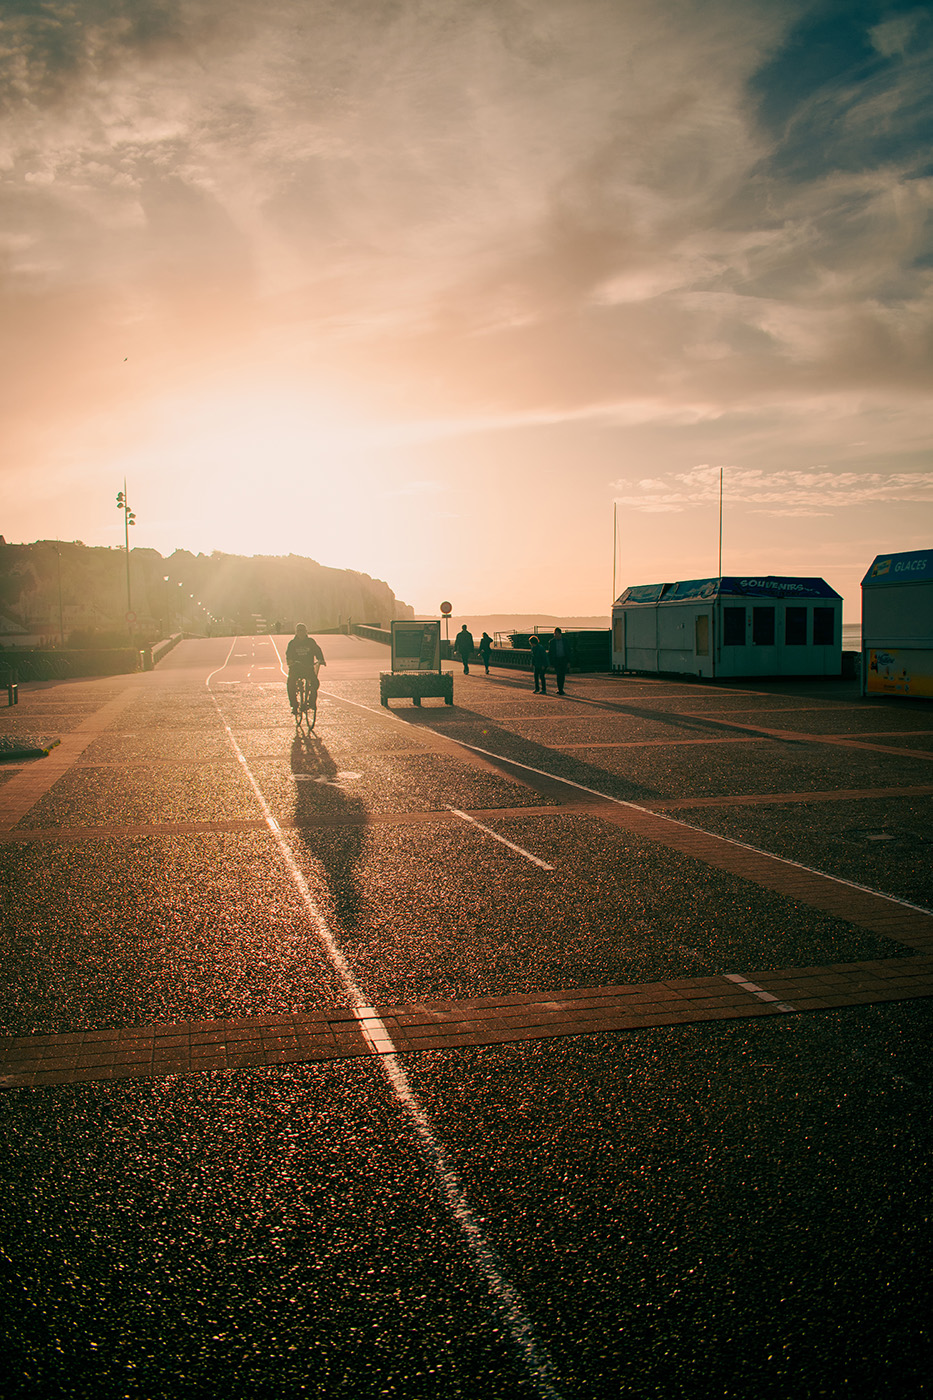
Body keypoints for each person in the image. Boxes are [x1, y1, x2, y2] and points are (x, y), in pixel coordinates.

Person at [286, 624, 325, 714]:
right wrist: (290, 661)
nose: (301, 632)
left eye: (302, 630)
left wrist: (321, 660)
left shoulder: (310, 642)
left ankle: (311, 702)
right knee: (291, 684)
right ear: (296, 632)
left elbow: (317, 651)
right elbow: (289, 654)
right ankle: (294, 705)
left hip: (308, 668)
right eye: (299, 630)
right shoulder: (292, 643)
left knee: (315, 683)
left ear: (306, 632)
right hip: (296, 668)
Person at [548, 627, 569, 695]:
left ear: (560, 634)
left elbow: (568, 651)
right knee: (558, 674)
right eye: (554, 634)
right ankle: (560, 689)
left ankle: (561, 688)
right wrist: (551, 663)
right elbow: (550, 653)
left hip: (563, 659)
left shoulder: (565, 641)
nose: (555, 635)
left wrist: (568, 661)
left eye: (556, 633)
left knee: (562, 675)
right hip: (556, 660)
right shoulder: (552, 642)